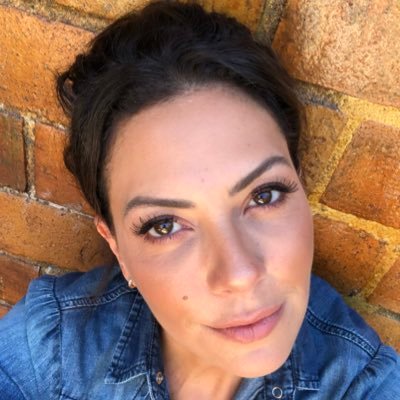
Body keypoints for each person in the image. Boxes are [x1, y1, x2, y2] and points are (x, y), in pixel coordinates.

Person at [0, 1, 399, 399]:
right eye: (165, 225)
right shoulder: (52, 347)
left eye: (264, 195)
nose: (240, 274)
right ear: (117, 248)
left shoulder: (361, 384)